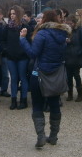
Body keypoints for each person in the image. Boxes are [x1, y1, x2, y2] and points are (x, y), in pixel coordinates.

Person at [20, 10, 71, 148]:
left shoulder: (42, 34)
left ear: (44, 19)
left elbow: (33, 53)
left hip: (39, 73)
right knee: (54, 104)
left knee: (37, 104)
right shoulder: (63, 34)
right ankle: (53, 136)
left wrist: (23, 40)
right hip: (56, 74)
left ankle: (41, 136)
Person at [1, 5, 32, 110]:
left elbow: (30, 41)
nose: (12, 15)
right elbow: (3, 40)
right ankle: (13, 100)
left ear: (18, 14)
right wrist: (6, 50)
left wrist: (25, 51)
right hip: (11, 56)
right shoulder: (7, 27)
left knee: (23, 78)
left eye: (14, 13)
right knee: (13, 78)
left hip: (23, 57)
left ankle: (23, 100)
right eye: (11, 14)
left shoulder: (25, 27)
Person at [64, 15, 82, 103]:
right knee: (68, 76)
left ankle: (80, 94)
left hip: (76, 56)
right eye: (68, 23)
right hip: (67, 56)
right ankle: (70, 94)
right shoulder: (65, 31)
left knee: (76, 75)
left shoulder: (80, 30)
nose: (69, 25)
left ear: (74, 23)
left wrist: (79, 53)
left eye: (71, 23)